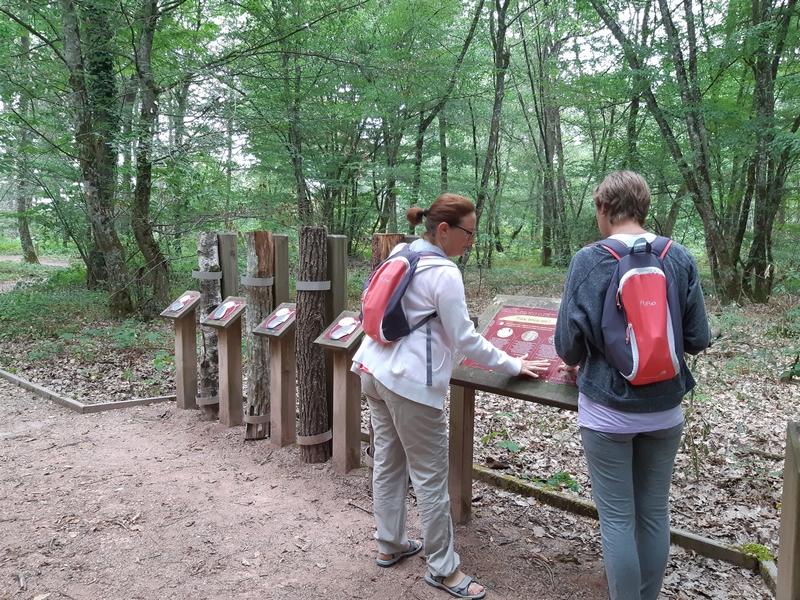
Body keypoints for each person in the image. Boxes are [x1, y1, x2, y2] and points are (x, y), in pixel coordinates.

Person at [352, 193, 550, 600]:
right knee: (429, 476)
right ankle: (443, 570)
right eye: (469, 233)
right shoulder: (443, 272)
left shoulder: (403, 254)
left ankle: (390, 543)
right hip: (409, 383)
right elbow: (466, 339)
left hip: (373, 368)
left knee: (388, 461)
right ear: (443, 229)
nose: (472, 241)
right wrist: (513, 364)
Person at [554, 171, 711, 600]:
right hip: (665, 410)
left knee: (618, 520)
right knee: (654, 514)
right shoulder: (677, 256)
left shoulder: (590, 259)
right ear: (643, 208)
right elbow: (697, 338)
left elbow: (567, 346)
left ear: (604, 208)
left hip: (606, 412)